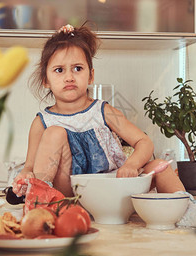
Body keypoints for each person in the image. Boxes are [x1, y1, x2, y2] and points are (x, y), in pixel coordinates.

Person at [12, 24, 185, 197]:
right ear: (46, 80)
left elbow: (144, 142)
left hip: (110, 188)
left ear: (91, 75)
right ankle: (41, 201)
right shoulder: (43, 122)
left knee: (160, 166)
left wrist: (130, 165)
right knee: (55, 133)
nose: (69, 77)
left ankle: (185, 209)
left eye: (78, 68)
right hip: (68, 193)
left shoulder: (103, 111)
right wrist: (26, 175)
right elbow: (29, 166)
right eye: (59, 70)